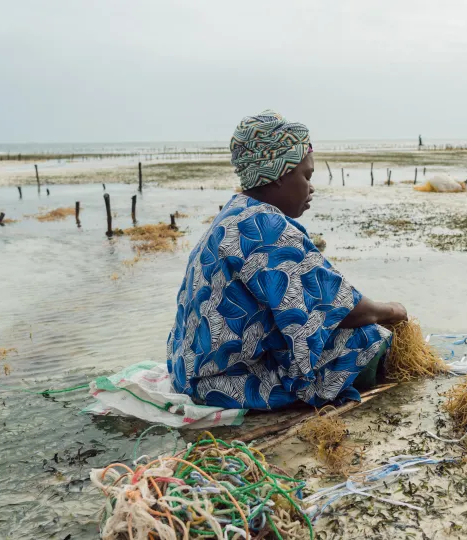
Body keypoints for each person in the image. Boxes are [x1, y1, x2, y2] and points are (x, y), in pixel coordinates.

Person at [167, 110, 407, 410]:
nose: (311, 186)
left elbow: (307, 301)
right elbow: (343, 309)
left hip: (187, 371)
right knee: (366, 338)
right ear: (278, 175)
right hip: (222, 384)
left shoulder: (234, 213)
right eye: (306, 175)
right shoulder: (266, 227)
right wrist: (394, 311)